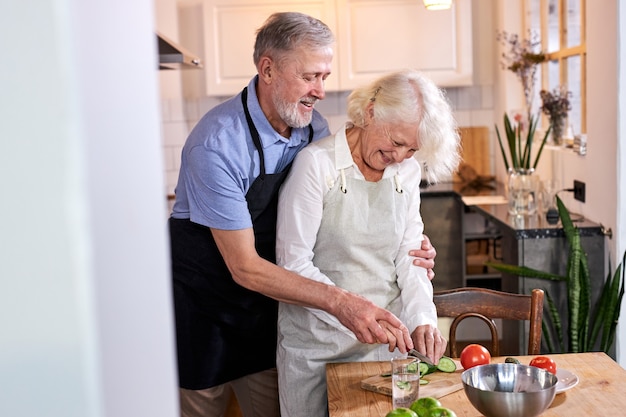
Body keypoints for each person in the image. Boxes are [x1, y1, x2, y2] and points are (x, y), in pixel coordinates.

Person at [168, 12, 437, 417]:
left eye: (324, 77)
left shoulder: (311, 128)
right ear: (268, 69)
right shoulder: (217, 145)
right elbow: (244, 268)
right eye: (310, 76)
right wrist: (344, 303)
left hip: (269, 308)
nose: (320, 91)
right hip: (207, 310)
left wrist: (402, 244)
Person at [275, 69, 460, 417]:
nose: (402, 156)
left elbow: (412, 256)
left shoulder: (406, 171)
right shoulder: (317, 165)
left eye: (412, 148)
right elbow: (293, 265)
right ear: (371, 111)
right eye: (396, 141)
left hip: (386, 351)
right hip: (318, 350)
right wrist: (352, 313)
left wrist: (423, 317)